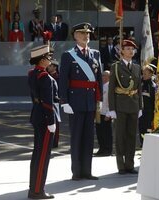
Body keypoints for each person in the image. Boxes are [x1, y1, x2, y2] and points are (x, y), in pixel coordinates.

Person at [59, 22, 103, 180]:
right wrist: (64, 101)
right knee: (76, 137)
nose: (86, 36)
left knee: (89, 138)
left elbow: (97, 80)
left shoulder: (96, 54)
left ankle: (87, 171)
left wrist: (100, 100)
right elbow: (63, 80)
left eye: (88, 34)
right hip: (75, 102)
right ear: (75, 36)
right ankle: (77, 171)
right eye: (83, 33)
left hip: (90, 102)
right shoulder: (68, 55)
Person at [28, 45, 59, 199]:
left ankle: (33, 187)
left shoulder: (33, 74)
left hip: (36, 115)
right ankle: (37, 191)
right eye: (48, 57)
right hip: (45, 118)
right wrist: (51, 121)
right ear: (41, 60)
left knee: (37, 153)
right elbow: (48, 102)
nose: (50, 60)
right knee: (43, 156)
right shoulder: (44, 77)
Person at [108, 39, 143, 175]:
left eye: (132, 49)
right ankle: (121, 166)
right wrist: (112, 109)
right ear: (121, 51)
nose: (130, 51)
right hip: (120, 106)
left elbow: (139, 88)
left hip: (133, 106)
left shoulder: (137, 67)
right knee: (120, 136)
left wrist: (140, 106)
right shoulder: (115, 67)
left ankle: (130, 164)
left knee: (131, 137)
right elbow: (111, 89)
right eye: (127, 48)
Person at [95, 70, 113, 157]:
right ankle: (101, 148)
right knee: (99, 132)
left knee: (107, 132)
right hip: (99, 112)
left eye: (105, 76)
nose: (103, 77)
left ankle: (108, 149)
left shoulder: (110, 87)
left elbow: (111, 101)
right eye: (102, 75)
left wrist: (109, 113)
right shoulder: (100, 86)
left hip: (106, 113)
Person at [139, 65, 156, 147]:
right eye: (143, 73)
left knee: (148, 130)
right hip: (140, 112)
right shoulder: (139, 84)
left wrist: (153, 115)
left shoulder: (153, 86)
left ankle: (148, 146)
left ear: (150, 74)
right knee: (141, 129)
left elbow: (154, 102)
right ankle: (142, 144)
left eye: (145, 73)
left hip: (149, 114)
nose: (143, 75)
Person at [46, 59, 61, 148]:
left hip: (55, 102)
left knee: (56, 122)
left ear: (55, 67)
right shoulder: (47, 76)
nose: (49, 67)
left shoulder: (58, 77)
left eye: (50, 66)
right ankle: (49, 140)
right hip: (48, 101)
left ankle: (55, 142)